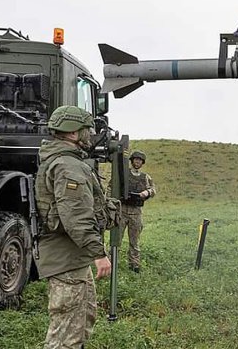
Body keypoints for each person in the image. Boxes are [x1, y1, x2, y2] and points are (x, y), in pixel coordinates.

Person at [35, 105, 111, 349]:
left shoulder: (64, 160)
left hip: (73, 257)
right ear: (72, 133)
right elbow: (76, 217)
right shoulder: (68, 166)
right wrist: (99, 254)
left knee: (81, 319)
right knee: (65, 334)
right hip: (66, 257)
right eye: (85, 129)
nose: (89, 133)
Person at [119, 150, 156, 273]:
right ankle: (111, 263)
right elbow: (112, 187)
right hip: (122, 211)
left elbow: (153, 190)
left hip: (136, 212)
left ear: (142, 163)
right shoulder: (124, 174)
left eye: (140, 160)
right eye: (135, 159)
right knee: (116, 240)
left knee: (134, 242)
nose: (137, 162)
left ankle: (134, 266)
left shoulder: (145, 177)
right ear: (131, 161)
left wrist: (146, 193)